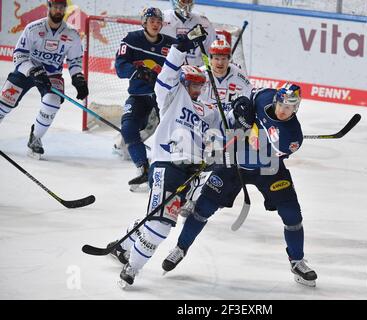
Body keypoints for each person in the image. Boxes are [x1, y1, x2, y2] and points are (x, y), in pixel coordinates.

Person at [162, 83, 319, 287]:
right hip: (233, 163)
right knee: (204, 208)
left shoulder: (292, 137)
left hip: (267, 168)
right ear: (276, 99)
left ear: (296, 108)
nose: (283, 110)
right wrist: (241, 109)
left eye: (289, 107)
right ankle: (180, 248)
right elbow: (247, 97)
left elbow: (263, 157)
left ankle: (297, 261)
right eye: (281, 104)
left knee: (292, 214)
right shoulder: (265, 96)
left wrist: (250, 136)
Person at [107, 25, 224, 287]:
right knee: (162, 222)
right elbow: (168, 74)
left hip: (192, 171)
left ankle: (123, 245)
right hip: (168, 164)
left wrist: (235, 123)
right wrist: (179, 49)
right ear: (183, 82)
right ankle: (132, 269)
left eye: (199, 84)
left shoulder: (208, 109)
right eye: (191, 83)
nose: (196, 87)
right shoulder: (170, 96)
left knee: (160, 214)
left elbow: (218, 136)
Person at [0, 0, 88, 159]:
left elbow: (74, 61)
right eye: (55, 7)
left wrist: (78, 78)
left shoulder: (72, 34)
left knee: (53, 102)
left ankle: (36, 138)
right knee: (5, 100)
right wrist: (33, 70)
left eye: (61, 7)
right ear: (49, 7)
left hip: (52, 75)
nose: (58, 10)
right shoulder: (33, 28)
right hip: (27, 71)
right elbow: (19, 55)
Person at [180, 38, 253, 216]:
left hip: (228, 128)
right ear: (210, 58)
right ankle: (187, 197)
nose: (220, 62)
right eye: (216, 58)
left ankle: (201, 198)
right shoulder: (201, 75)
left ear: (229, 59)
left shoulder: (238, 75)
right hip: (203, 126)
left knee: (220, 166)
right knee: (196, 163)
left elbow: (250, 99)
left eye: (224, 58)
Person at [114, 7, 177, 191]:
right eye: (152, 21)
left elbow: (181, 68)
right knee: (128, 128)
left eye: (159, 22)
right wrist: (137, 72)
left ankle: (172, 171)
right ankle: (143, 168)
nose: (156, 25)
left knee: (172, 133)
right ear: (144, 22)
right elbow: (120, 67)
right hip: (139, 95)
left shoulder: (171, 45)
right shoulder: (131, 40)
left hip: (163, 97)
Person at [161, 0, 216, 67]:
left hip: (195, 72)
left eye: (189, 0)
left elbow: (211, 52)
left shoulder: (204, 22)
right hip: (167, 69)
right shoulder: (161, 19)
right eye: (183, 1)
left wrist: (207, 68)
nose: (187, 4)